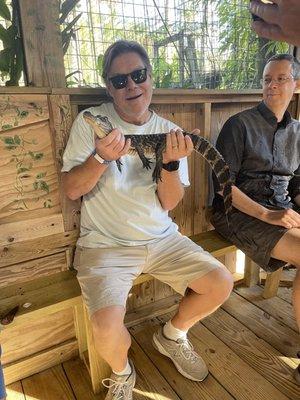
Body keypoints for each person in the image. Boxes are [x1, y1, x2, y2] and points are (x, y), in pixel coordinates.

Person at [62, 40, 233, 399]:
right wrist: (100, 158)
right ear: (109, 87)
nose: (131, 86)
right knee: (105, 327)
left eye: (138, 75)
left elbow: (169, 202)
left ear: (150, 78)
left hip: (161, 238)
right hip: (105, 245)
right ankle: (123, 373)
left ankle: (171, 336)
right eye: (120, 80)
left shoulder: (169, 132)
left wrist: (169, 164)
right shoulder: (89, 123)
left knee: (221, 282)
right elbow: (72, 190)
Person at [211, 53, 300, 382]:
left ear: (296, 85)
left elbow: (298, 187)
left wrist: (292, 214)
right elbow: (223, 187)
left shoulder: (299, 132)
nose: (272, 85)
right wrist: (269, 214)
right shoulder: (240, 125)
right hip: (237, 212)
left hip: (281, 209)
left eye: (281, 79)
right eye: (267, 80)